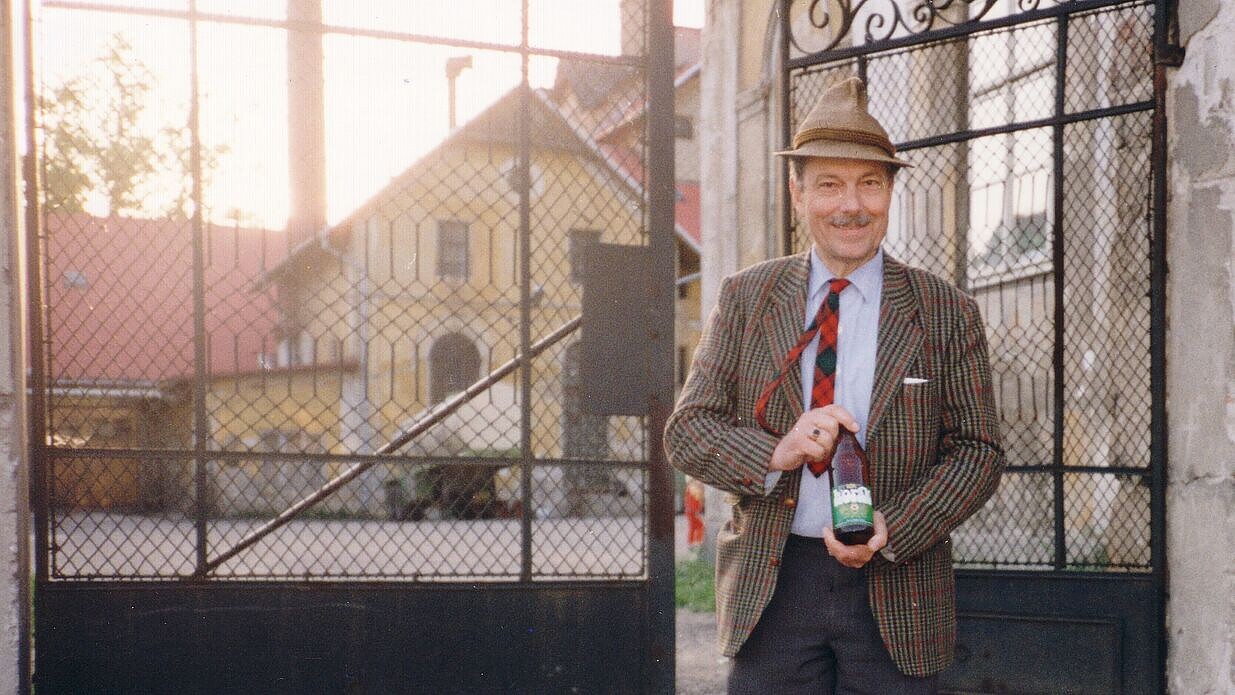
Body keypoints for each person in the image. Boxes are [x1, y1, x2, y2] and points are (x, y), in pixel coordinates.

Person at [663, 77, 1004, 694]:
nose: (852, 205)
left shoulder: (945, 310)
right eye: (829, 185)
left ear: (890, 191)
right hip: (775, 584)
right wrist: (776, 451)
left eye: (869, 183)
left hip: (898, 589)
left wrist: (895, 526)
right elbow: (687, 431)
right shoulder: (747, 297)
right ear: (797, 193)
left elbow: (979, 451)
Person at [684, 477, 705, 547]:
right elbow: (696, 498)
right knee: (699, 525)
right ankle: (697, 541)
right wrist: (695, 511)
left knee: (693, 526)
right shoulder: (693, 488)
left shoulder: (690, 487)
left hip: (690, 511)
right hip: (692, 511)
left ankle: (691, 542)